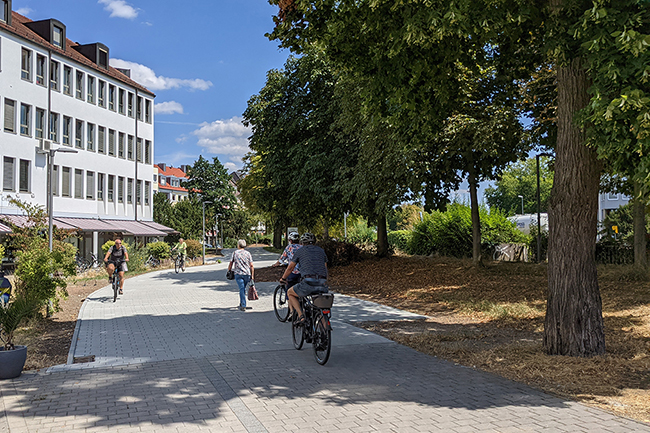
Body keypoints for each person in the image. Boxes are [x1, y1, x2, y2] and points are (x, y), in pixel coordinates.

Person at [280, 232, 328, 324]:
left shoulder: (300, 251)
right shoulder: (321, 251)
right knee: (321, 309)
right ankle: (325, 331)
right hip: (322, 283)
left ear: (303, 242)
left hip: (308, 282)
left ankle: (301, 315)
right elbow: (325, 268)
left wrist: (283, 278)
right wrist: (326, 282)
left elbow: (290, 267)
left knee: (290, 293)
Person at [228, 239, 254, 311]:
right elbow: (251, 265)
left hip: (238, 274)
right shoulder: (248, 253)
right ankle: (241, 302)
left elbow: (231, 263)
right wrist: (252, 275)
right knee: (243, 288)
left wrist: (229, 270)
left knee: (242, 289)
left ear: (238, 245)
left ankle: (243, 305)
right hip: (247, 274)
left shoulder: (235, 253)